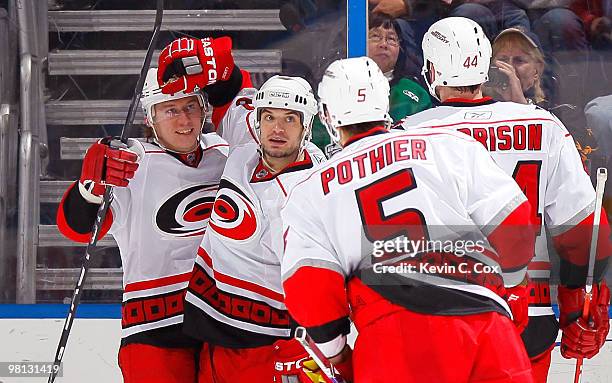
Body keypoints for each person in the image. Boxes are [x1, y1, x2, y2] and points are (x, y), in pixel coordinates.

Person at [281, 55, 538, 382]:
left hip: (395, 338)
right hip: (486, 325)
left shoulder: (311, 190)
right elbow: (514, 223)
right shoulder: (448, 143)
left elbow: (309, 285)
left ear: (328, 116)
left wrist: (337, 357)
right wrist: (512, 291)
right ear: (384, 101)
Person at [400, 16, 611, 383]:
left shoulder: (405, 137)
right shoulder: (541, 125)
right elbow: (582, 233)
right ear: (484, 66)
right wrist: (583, 305)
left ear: (431, 69)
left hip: (442, 315)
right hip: (530, 313)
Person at [155, 36, 339, 383]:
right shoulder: (245, 148)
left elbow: (317, 279)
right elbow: (229, 88)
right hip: (216, 337)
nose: (277, 129)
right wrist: (210, 63)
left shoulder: (315, 189)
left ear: (306, 127)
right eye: (269, 117)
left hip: (275, 345)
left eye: (289, 120)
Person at [56, 67, 229, 382]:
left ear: (204, 108)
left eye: (191, 106)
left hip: (218, 323)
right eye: (170, 110)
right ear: (150, 118)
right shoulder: (129, 161)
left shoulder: (224, 152)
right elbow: (76, 228)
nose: (184, 119)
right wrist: (89, 186)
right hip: (154, 331)